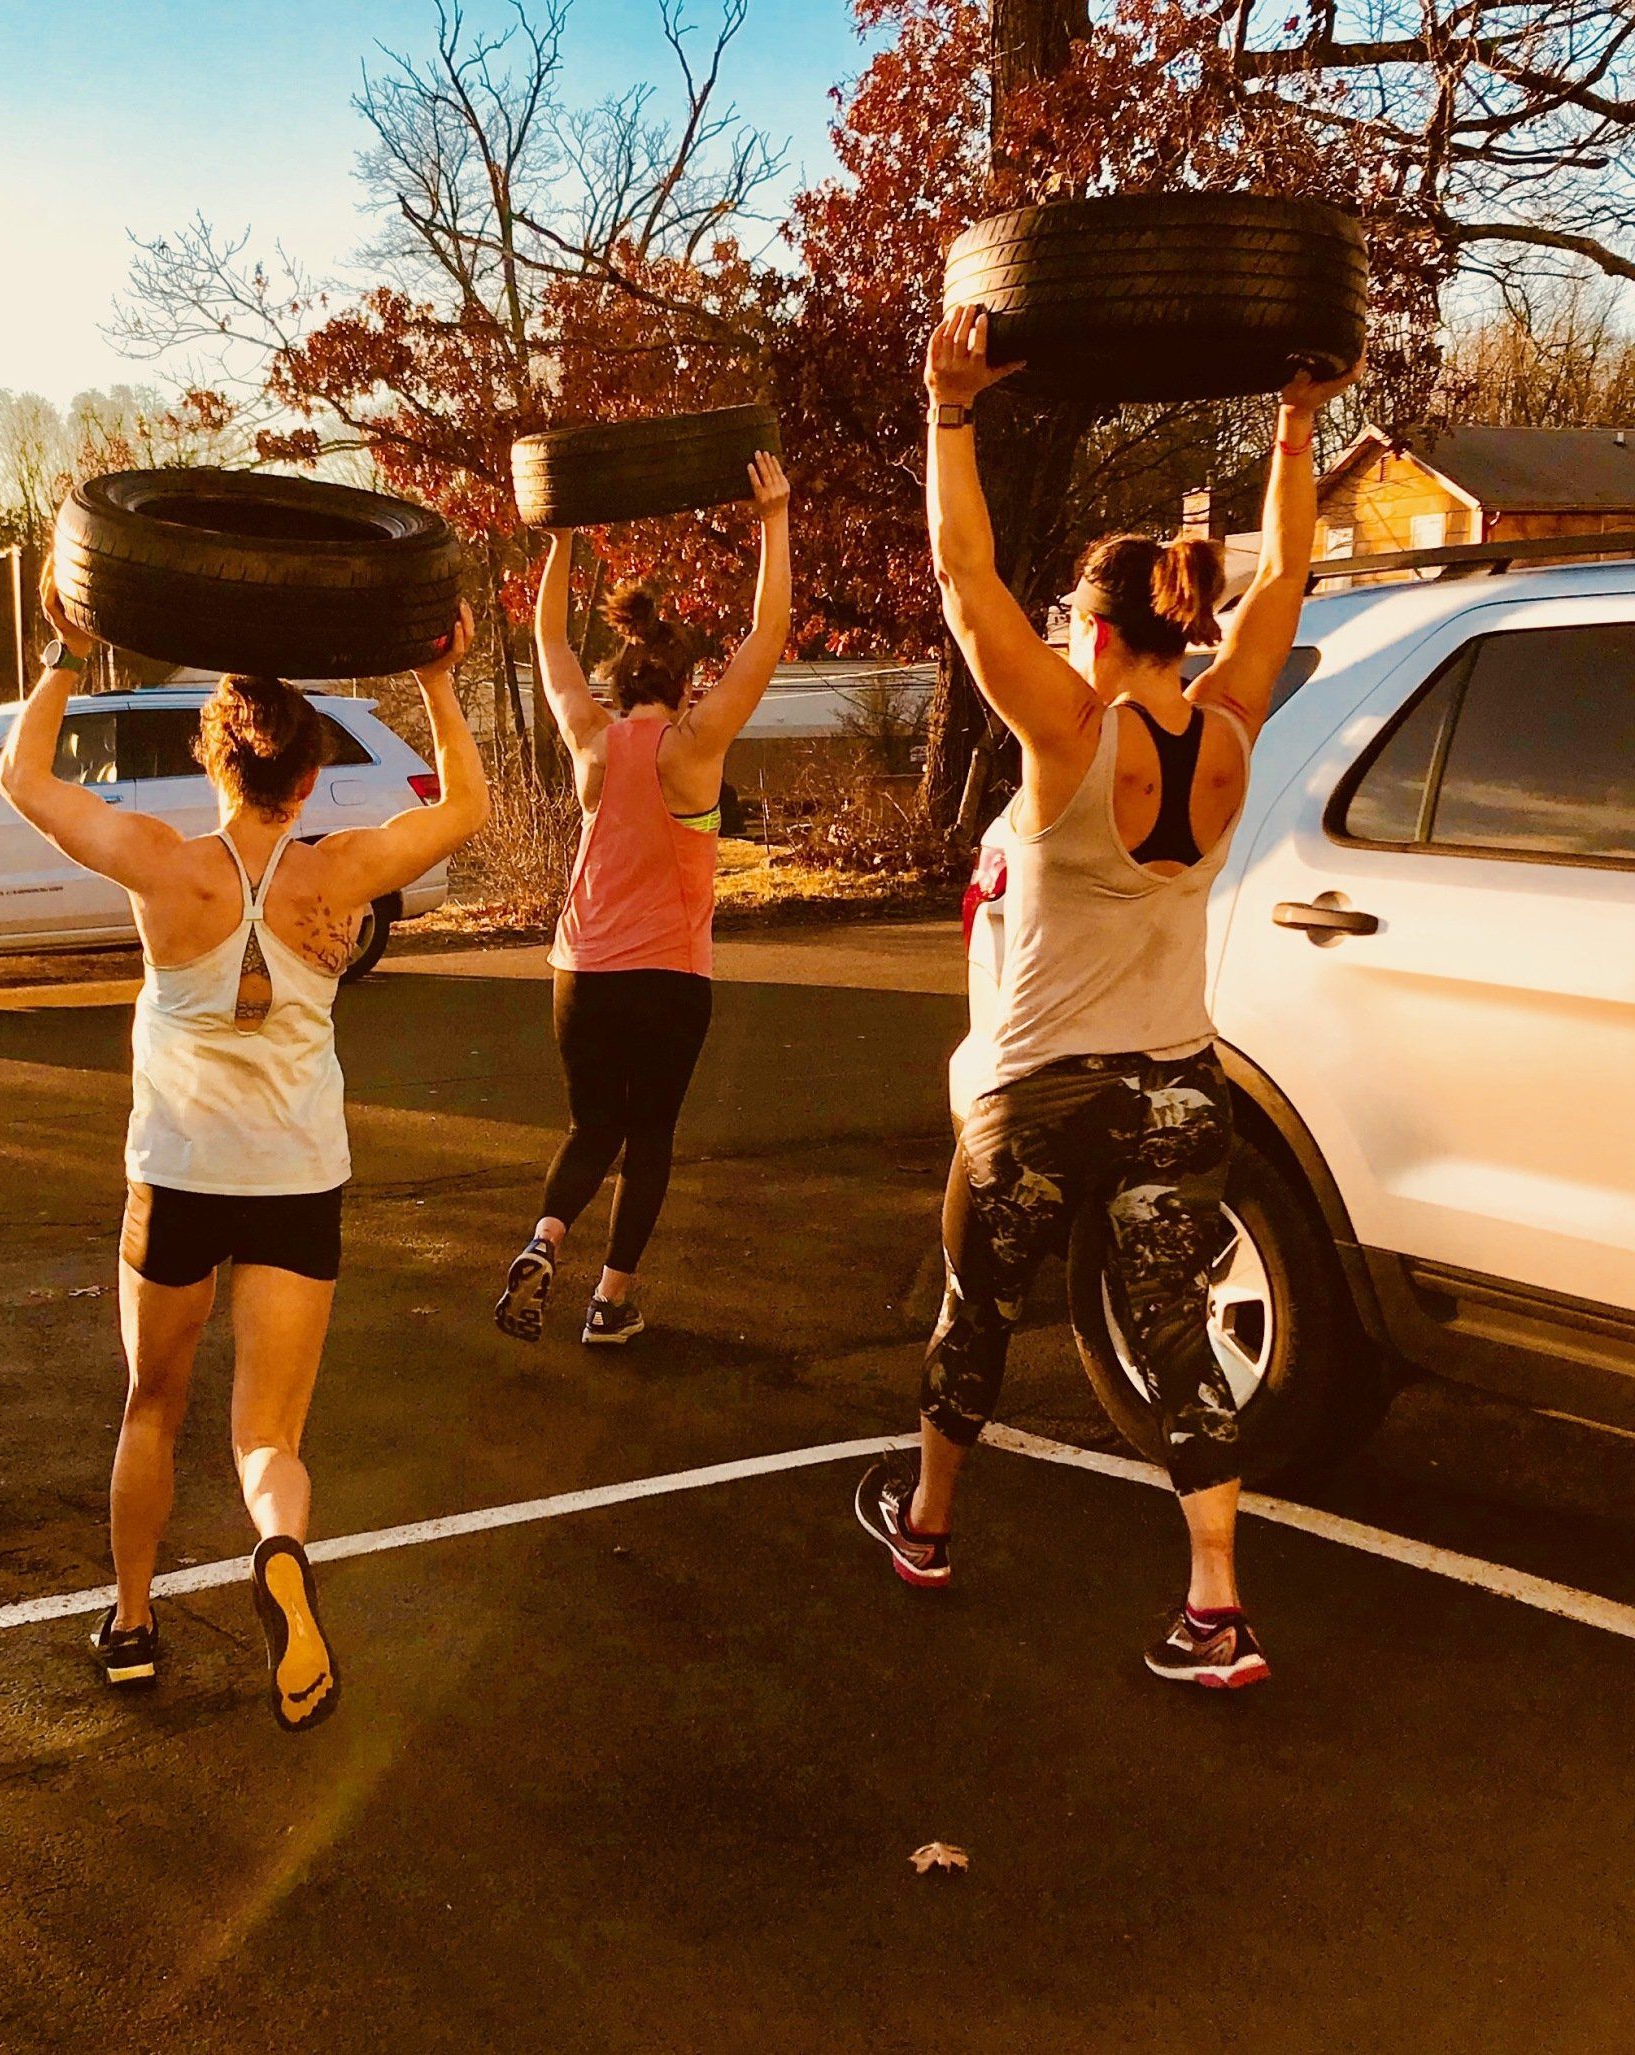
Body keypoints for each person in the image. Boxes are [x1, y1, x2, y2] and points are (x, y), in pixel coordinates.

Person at [856, 311, 1361, 1687]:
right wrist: (1298, 424)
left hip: (1036, 1096)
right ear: (1180, 620)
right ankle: (1215, 1607)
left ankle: (931, 1524)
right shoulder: (1235, 725)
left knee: (975, 1304)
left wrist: (947, 408)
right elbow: (1291, 578)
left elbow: (964, 583)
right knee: (1178, 1338)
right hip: (1178, 1092)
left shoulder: (1072, 732)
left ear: (1092, 624)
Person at [0, 557, 486, 1730]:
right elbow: (467, 810)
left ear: (213, 762)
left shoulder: (162, 869)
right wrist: (435, 673)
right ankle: (279, 1548)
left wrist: (68, 648)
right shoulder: (346, 867)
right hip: (295, 1182)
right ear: (313, 772)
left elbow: (21, 779)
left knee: (151, 1407)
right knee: (267, 1435)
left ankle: (130, 1621)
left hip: (174, 1180)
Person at [494, 451, 791, 1347]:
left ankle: (546, 1240)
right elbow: (765, 640)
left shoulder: (591, 739)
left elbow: (548, 648)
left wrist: (559, 540)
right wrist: (774, 519)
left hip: (578, 972)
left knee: (593, 1127)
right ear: (683, 682)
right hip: (667, 978)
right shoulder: (694, 747)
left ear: (621, 681)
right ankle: (609, 1301)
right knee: (649, 1135)